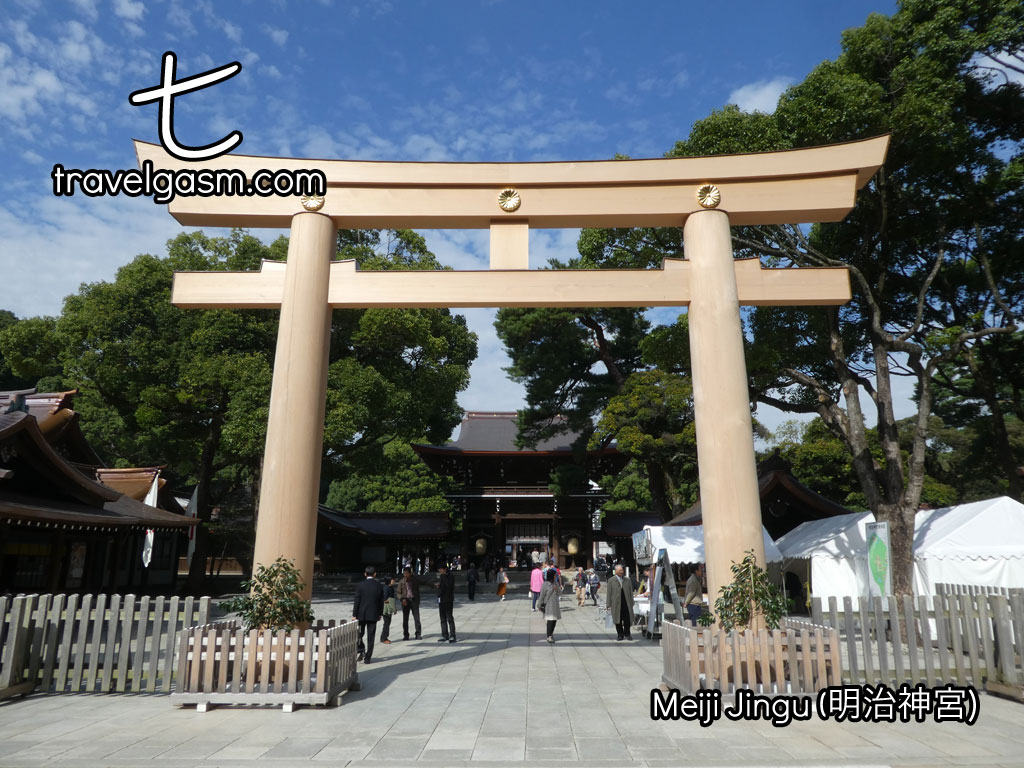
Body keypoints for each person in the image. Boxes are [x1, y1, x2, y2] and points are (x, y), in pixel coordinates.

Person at [352, 565, 385, 663]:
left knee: (359, 634)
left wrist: (354, 614)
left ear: (365, 574)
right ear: (375, 574)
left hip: (361, 614)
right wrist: (380, 613)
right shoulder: (379, 586)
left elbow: (357, 600)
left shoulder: (360, 585)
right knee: (371, 636)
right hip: (373, 614)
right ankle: (368, 657)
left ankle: (361, 649)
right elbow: (381, 601)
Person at [605, 564, 635, 641]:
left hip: (626, 603)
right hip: (616, 604)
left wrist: (632, 602)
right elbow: (609, 593)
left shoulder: (627, 580)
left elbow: (631, 592)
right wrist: (608, 604)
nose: (622, 572)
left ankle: (627, 634)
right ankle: (620, 635)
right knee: (617, 620)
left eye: (622, 570)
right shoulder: (611, 580)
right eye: (620, 570)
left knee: (627, 620)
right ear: (616, 571)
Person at [537, 568, 563, 643]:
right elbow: (541, 595)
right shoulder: (545, 584)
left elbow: (560, 593)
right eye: (555, 575)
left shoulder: (556, 583)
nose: (556, 576)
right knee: (550, 620)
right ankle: (549, 636)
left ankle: (551, 634)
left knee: (554, 620)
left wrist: (557, 589)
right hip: (548, 604)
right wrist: (539, 605)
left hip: (555, 604)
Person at [397, 566, 422, 640]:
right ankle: (406, 634)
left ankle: (418, 634)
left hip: (414, 600)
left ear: (410, 573)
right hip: (405, 601)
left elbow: (424, 582)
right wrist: (402, 599)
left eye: (407, 573)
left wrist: (433, 585)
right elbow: (398, 592)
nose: (405, 575)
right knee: (405, 619)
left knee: (417, 618)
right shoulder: (401, 581)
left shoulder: (415, 580)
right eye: (404, 573)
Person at [436, 563, 457, 643]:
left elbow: (448, 586)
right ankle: (445, 635)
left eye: (441, 569)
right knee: (442, 618)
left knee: (449, 618)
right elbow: (442, 587)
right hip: (441, 599)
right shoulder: (442, 577)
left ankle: (453, 635)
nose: (439, 570)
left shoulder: (450, 576)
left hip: (448, 599)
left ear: (444, 569)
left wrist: (443, 576)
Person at [380, 575, 397, 644]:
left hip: (390, 607)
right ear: (389, 581)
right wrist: (389, 602)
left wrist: (394, 608)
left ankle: (384, 637)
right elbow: (384, 599)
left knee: (388, 622)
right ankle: (384, 638)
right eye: (393, 580)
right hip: (386, 608)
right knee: (386, 623)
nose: (394, 581)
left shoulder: (391, 588)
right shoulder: (386, 588)